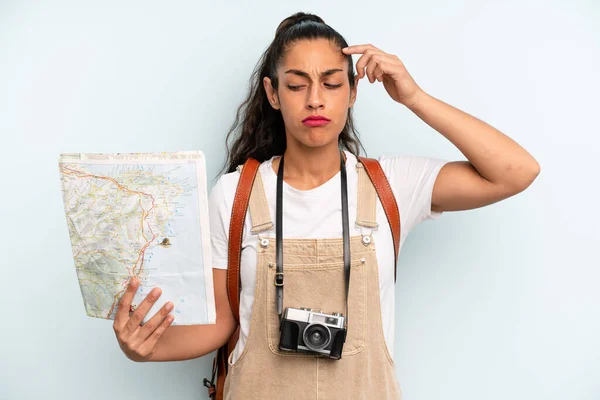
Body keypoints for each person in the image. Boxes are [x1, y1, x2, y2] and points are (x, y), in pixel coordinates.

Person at [112, 11, 540, 399]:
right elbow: (222, 323)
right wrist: (143, 348)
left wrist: (413, 96)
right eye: (296, 85)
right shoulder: (235, 193)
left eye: (332, 83)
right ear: (273, 93)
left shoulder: (390, 185)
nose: (314, 99)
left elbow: (515, 171)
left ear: (353, 91)